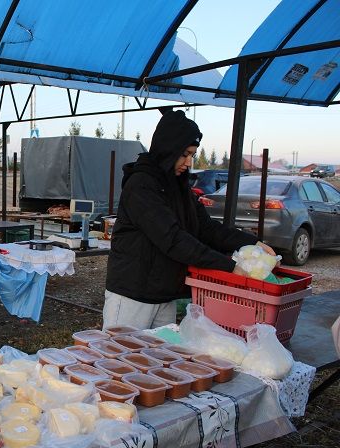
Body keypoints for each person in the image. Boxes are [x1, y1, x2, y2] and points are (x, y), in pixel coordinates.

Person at [104, 109, 276, 330]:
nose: (188, 162)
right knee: (120, 360)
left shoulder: (178, 185)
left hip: (164, 294)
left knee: (158, 359)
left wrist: (251, 243)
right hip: (132, 295)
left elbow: (206, 228)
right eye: (184, 154)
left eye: (192, 155)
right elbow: (172, 238)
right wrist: (228, 266)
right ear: (168, 148)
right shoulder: (141, 185)